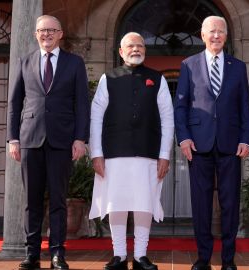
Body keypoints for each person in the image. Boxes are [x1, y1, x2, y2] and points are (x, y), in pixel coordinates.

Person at [7, 15, 90, 270]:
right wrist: (13, 138)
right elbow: (14, 104)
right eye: (42, 31)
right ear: (35, 34)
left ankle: (57, 254)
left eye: (51, 30)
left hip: (62, 140)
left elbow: (82, 105)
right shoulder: (25, 62)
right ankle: (31, 254)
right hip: (30, 139)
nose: (46, 35)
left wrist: (80, 139)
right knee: (31, 201)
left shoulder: (75, 63)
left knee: (58, 199)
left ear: (60, 34)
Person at [88, 32, 174, 270]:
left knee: (143, 203)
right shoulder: (109, 78)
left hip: (148, 152)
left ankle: (139, 255)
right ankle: (118, 255)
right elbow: (96, 117)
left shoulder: (157, 79)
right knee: (117, 203)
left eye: (140, 45)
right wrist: (96, 153)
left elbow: (168, 118)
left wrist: (164, 155)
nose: (136, 49)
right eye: (130, 46)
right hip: (113, 152)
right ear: (121, 51)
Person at [174, 16, 249, 270]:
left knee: (230, 203)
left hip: (231, 145)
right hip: (199, 145)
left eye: (221, 32)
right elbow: (181, 106)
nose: (216, 36)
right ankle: (203, 258)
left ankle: (228, 260)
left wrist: (246, 139)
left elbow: (245, 106)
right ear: (202, 34)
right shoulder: (188, 65)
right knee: (201, 204)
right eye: (212, 31)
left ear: (226, 36)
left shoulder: (238, 67)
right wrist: (184, 137)